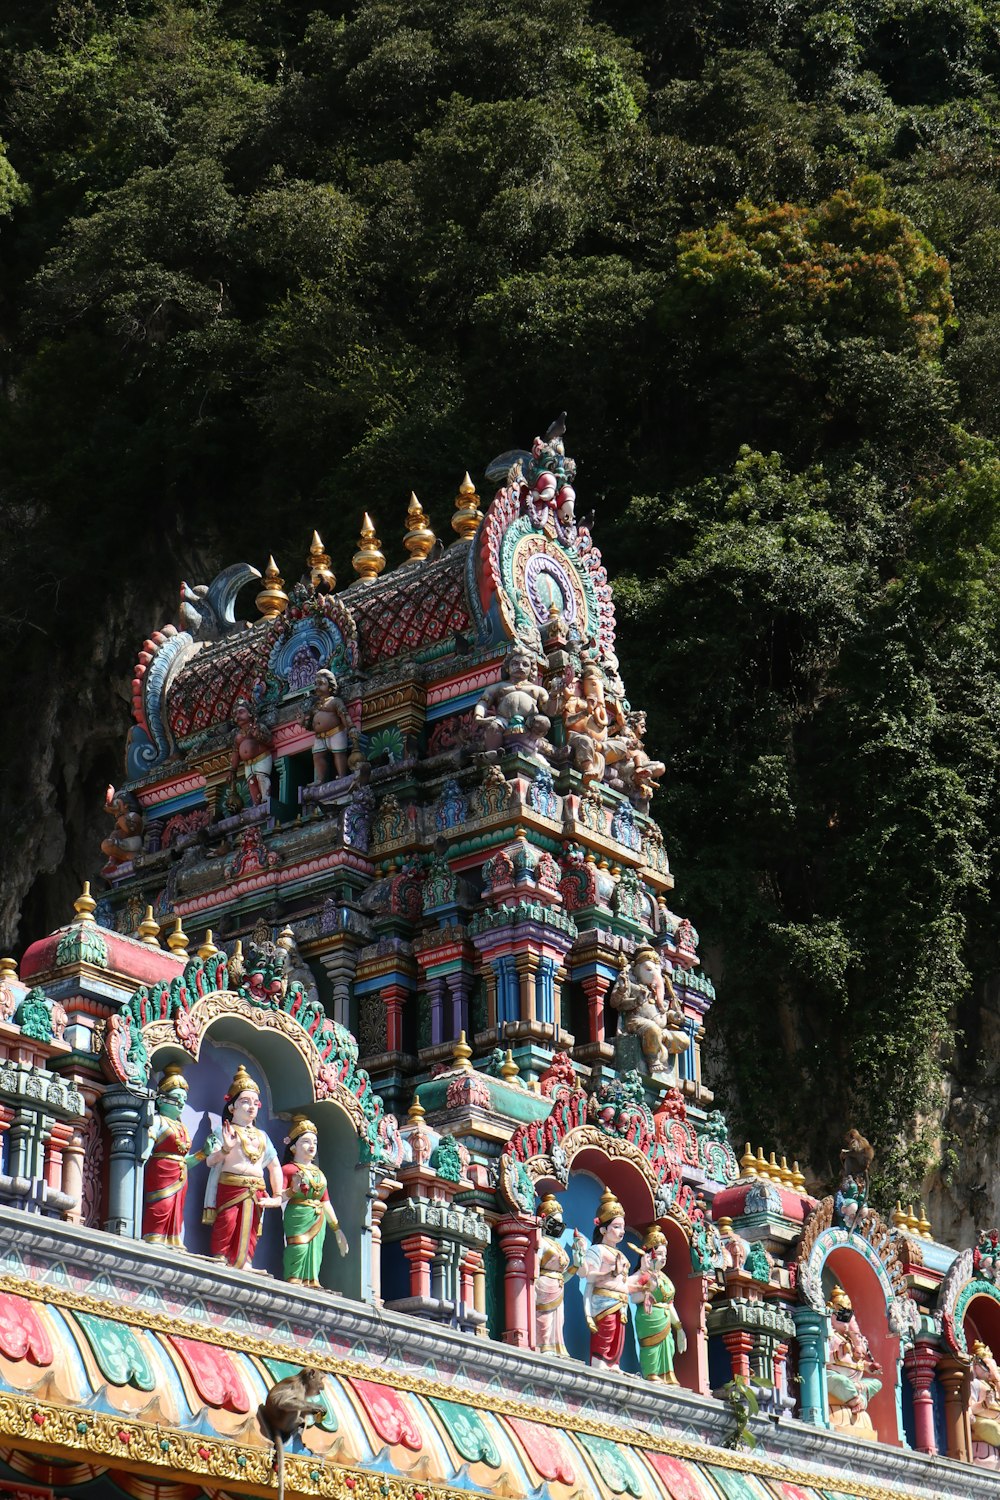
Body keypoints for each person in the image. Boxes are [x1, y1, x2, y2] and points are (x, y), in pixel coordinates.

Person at [203, 1066, 282, 1269]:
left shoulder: (263, 1136)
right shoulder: (225, 1131)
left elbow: (274, 1166)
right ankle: (221, 1256)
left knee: (252, 1228)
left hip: (257, 1189)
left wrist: (278, 1196)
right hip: (231, 1185)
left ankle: (246, 1260)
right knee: (227, 1222)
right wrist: (225, 1151)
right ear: (232, 1106)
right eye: (245, 1102)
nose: (251, 1107)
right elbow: (210, 1161)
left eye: (255, 1103)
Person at [141, 1065, 211, 1248]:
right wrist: (143, 1154)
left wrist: (203, 1153)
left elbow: (185, 1161)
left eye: (184, 1099)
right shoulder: (158, 1120)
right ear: (162, 1099)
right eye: (177, 1098)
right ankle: (154, 1237)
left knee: (176, 1208)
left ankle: (172, 1240)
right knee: (161, 1206)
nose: (181, 1103)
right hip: (161, 1171)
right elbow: (147, 1147)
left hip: (179, 1173)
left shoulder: (182, 1127)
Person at [281, 1116, 348, 1286]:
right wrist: (293, 1189)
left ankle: (312, 1280)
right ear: (293, 1146)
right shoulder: (288, 1169)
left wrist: (337, 1229)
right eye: (306, 1141)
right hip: (298, 1214)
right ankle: (293, 1278)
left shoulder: (319, 1173)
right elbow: (278, 1196)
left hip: (317, 1217)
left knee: (315, 1250)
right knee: (298, 1247)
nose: (311, 1146)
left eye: (315, 1142)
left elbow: (325, 1202)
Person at [628, 1226, 686, 1383]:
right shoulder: (643, 1274)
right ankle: (651, 1373)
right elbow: (633, 1297)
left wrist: (679, 1328)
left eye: (665, 1254)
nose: (663, 1258)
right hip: (649, 1318)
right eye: (659, 1254)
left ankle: (666, 1374)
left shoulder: (665, 1278)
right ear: (648, 1255)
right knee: (651, 1348)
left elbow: (670, 1304)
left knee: (668, 1346)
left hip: (665, 1319)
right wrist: (647, 1288)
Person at [581, 1188, 631, 1370]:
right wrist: (609, 1273)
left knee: (619, 1334)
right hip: (603, 1300)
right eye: (616, 1227)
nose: (621, 1232)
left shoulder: (621, 1255)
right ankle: (599, 1361)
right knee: (606, 1331)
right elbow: (589, 1275)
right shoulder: (597, 1250)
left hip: (621, 1301)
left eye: (623, 1228)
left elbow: (626, 1282)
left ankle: (613, 1363)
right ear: (603, 1229)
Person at [825, 1285, 882, 1439]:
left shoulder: (849, 1339)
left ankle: (859, 1398)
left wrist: (870, 1367)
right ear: (831, 1313)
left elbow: (856, 1363)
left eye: (847, 1317)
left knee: (876, 1384)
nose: (844, 1321)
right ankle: (857, 1401)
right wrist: (838, 1353)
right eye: (841, 1315)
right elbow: (822, 1359)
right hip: (833, 1379)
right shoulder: (830, 1336)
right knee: (840, 1380)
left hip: (853, 1383)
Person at [534, 1194, 586, 1356]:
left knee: (558, 1320)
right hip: (543, 1287)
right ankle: (544, 1346)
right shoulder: (541, 1242)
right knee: (544, 1320)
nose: (559, 1227)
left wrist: (576, 1264)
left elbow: (563, 1276)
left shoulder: (559, 1246)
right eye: (555, 1222)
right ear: (544, 1221)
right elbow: (534, 1266)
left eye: (561, 1223)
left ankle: (556, 1347)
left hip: (558, 1286)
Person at [306, 669, 351, 783]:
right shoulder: (316, 705)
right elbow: (310, 725)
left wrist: (351, 728)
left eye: (321, 683)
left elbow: (343, 715)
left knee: (339, 754)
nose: (317, 687)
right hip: (319, 736)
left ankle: (341, 775)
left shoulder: (335, 701)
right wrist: (302, 722)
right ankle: (320, 779)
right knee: (317, 756)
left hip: (336, 732)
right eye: (316, 684)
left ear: (330, 686)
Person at [229, 699, 273, 806]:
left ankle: (266, 799)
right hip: (248, 764)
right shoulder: (237, 735)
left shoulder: (258, 727)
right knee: (251, 782)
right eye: (235, 714)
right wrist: (232, 770)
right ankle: (256, 803)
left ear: (250, 713)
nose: (238, 716)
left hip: (261, 758)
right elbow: (235, 752)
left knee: (261, 778)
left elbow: (270, 742)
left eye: (241, 712)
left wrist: (258, 735)